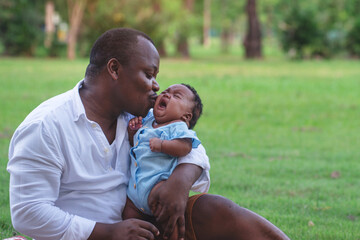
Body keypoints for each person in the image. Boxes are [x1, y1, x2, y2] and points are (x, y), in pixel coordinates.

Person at [7, 27, 290, 240]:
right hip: (93, 234)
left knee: (212, 208)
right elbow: (28, 213)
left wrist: (180, 182)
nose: (156, 86)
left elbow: (192, 144)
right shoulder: (45, 126)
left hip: (146, 226)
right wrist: (109, 232)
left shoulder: (140, 114)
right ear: (114, 69)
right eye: (148, 74)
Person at [123, 83, 208, 240]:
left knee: (168, 215)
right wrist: (132, 133)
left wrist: (163, 145)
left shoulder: (177, 127)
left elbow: (185, 147)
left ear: (186, 116)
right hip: (134, 192)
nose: (167, 95)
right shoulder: (148, 121)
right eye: (165, 92)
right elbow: (135, 144)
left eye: (176, 96)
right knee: (129, 217)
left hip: (158, 185)